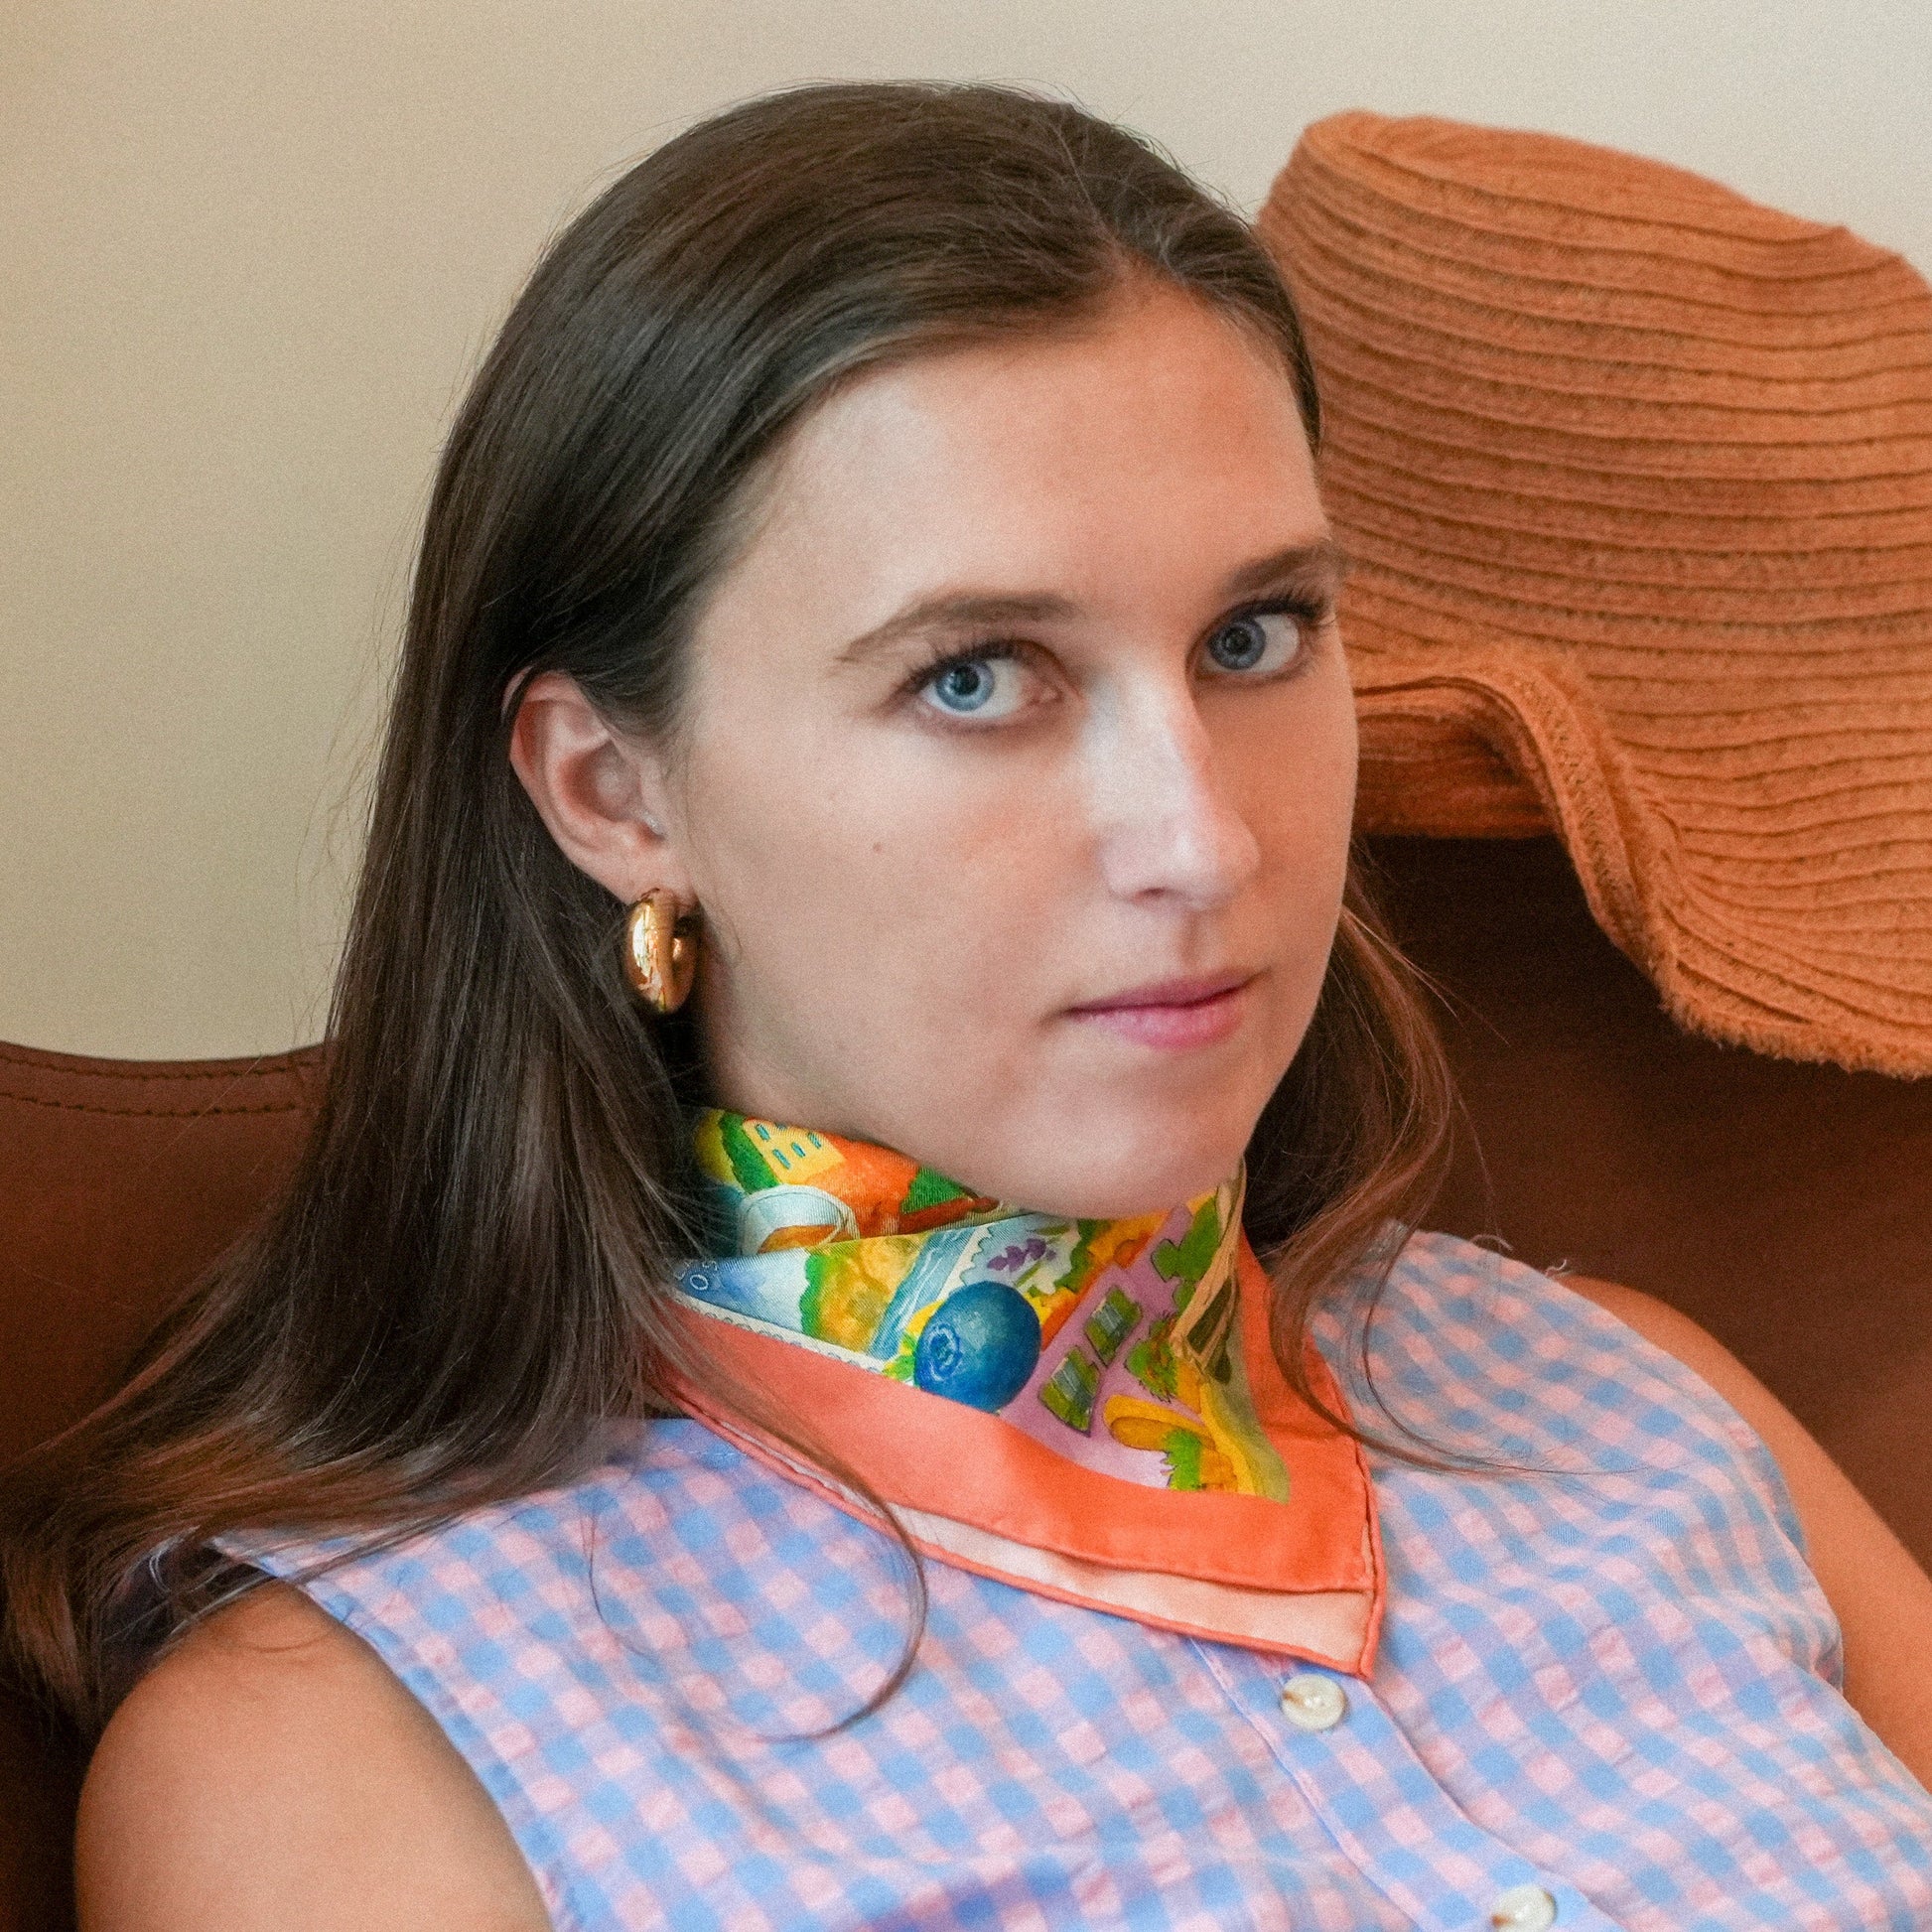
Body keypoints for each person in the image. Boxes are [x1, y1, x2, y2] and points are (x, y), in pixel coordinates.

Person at [5, 81, 1931, 1932]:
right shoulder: (364, 1746)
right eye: (974, 678)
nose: (1199, 836)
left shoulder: (1629, 1401)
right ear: (613, 790)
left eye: (1254, 634)